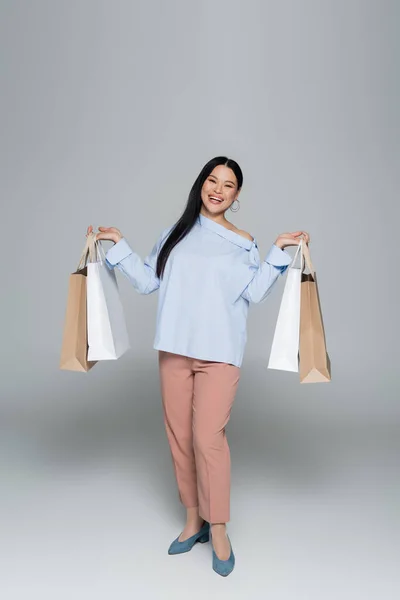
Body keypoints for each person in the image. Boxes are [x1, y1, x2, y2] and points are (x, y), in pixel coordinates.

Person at [86, 155, 310, 577]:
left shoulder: (243, 242)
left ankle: (219, 527)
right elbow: (149, 280)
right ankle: (194, 519)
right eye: (212, 180)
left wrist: (279, 252)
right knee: (179, 436)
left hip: (220, 353)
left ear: (237, 195)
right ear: (201, 183)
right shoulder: (175, 233)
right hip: (173, 348)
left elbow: (256, 292)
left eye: (228, 185)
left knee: (209, 439)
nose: (218, 190)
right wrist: (119, 246)